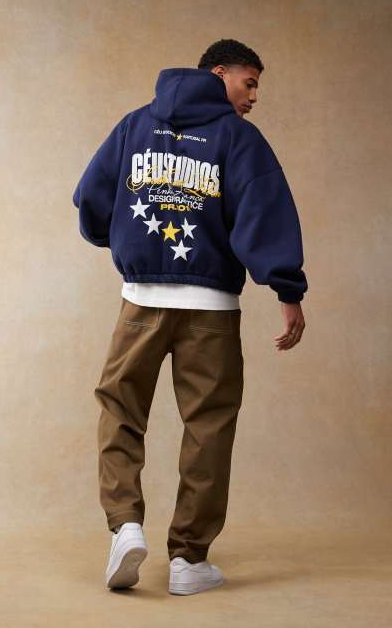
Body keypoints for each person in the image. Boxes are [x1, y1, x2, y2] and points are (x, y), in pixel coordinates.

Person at [72, 38, 308, 595]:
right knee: (208, 425)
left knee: (120, 409)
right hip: (211, 311)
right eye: (249, 82)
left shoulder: (134, 126)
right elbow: (263, 213)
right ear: (219, 73)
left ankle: (125, 526)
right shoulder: (238, 138)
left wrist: (126, 242)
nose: (254, 97)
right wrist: (287, 289)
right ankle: (188, 560)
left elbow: (91, 197)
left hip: (141, 300)